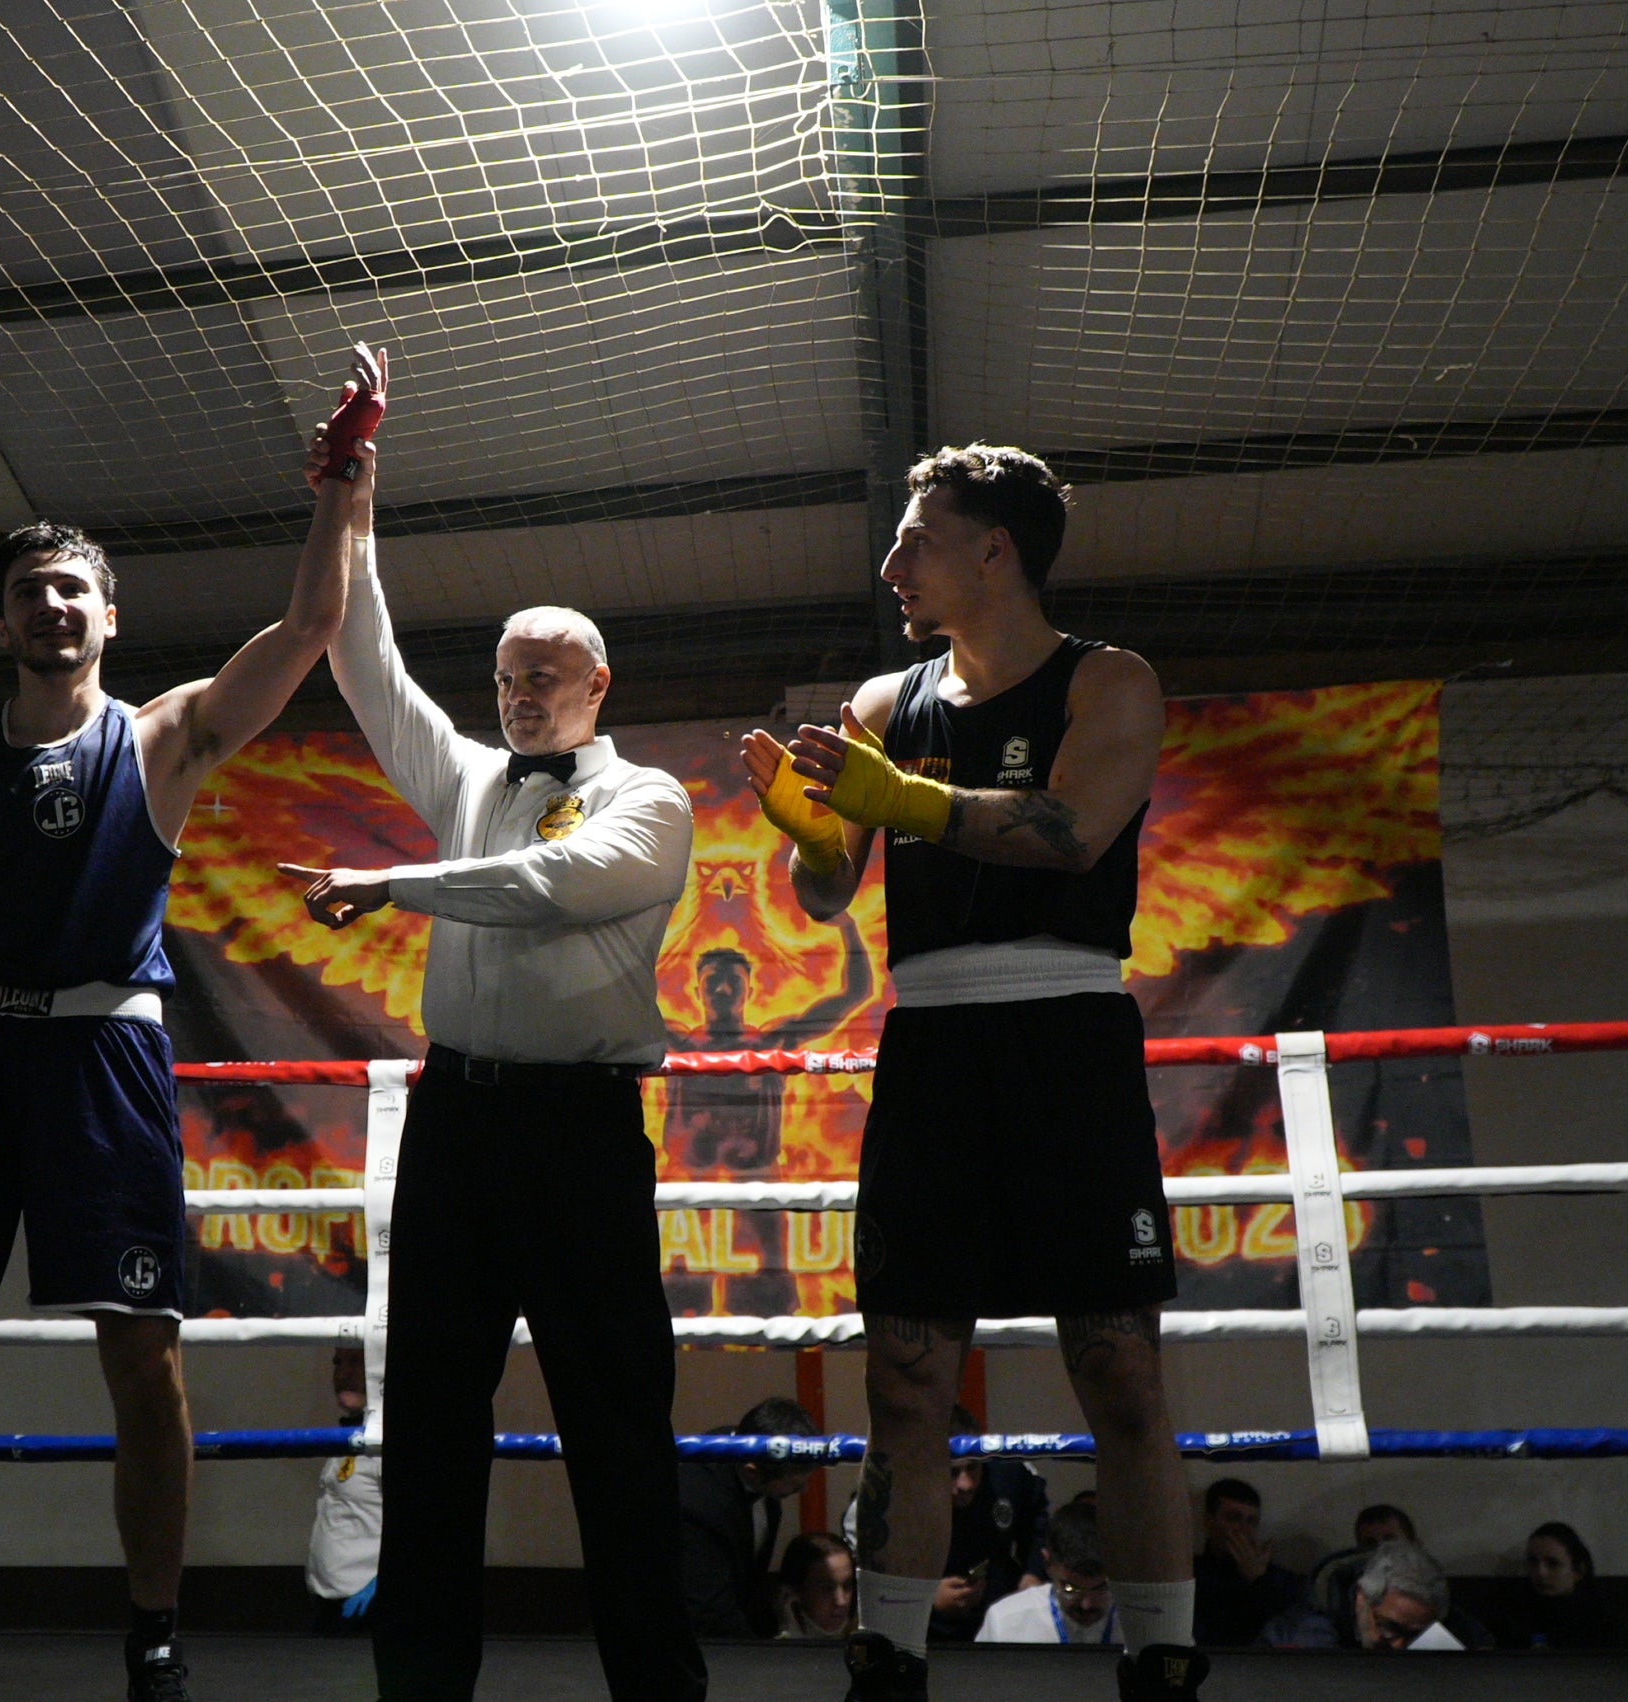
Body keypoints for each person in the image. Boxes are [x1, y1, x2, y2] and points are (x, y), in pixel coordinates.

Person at [0, 345, 374, 1702]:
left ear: (109, 616)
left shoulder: (165, 737)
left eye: (73, 586)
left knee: (145, 1358)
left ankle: (154, 1636)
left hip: (103, 1052)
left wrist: (342, 493)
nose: (52, 604)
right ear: (2, 623)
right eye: (29, 591)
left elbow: (304, 633)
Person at [738, 445, 1200, 1701]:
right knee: (905, 1368)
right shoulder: (887, 702)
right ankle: (886, 1649)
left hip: (1065, 1031)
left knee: (1118, 1362)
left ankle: (1161, 1649)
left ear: (994, 548)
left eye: (917, 541)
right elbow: (833, 881)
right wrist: (804, 835)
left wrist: (912, 803)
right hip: (931, 1038)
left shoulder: (1108, 681)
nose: (892, 565)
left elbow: (1070, 831)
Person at [277, 375, 705, 1702]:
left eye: (545, 676)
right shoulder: (466, 777)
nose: (520, 695)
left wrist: (387, 885)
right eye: (508, 676)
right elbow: (363, 660)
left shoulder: (651, 797)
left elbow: (549, 890)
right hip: (456, 1123)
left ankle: (659, 1688)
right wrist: (356, 499)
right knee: (430, 1424)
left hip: (581, 1131)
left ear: (598, 681)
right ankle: (420, 1686)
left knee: (616, 1424)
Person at [664, 916, 872, 1175]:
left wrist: (848, 926)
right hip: (685, 1180)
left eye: (734, 981)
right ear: (698, 991)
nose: (723, 989)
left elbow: (856, 992)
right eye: (713, 981)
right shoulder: (678, 1043)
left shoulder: (772, 1042)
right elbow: (620, 1011)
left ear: (749, 991)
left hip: (758, 1180)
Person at [838, 1405, 1049, 1643]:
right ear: (922, 1465)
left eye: (973, 1467)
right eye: (952, 1471)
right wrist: (924, 1598)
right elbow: (867, 1588)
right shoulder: (883, 1499)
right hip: (915, 1631)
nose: (966, 1484)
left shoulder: (1010, 1471)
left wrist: (1032, 1575)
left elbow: (1040, 1526)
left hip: (995, 1616)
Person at [680, 1397, 824, 1637]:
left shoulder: (744, 1446)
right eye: (794, 1485)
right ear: (752, 1473)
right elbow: (710, 1611)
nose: (804, 1490)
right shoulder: (697, 1505)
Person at [1263, 1540, 1465, 1651]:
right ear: (1362, 1597)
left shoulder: (1434, 1610)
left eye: (1417, 1636)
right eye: (1389, 1629)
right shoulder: (1307, 1634)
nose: (1400, 1647)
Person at [306, 1348, 381, 1636]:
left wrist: (383, 1587)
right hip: (331, 1608)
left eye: (356, 1361)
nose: (342, 1373)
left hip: (368, 1612)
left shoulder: (387, 1441)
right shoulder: (352, 1437)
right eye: (337, 1362)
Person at [976, 1503, 1117, 1646]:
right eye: (1070, 1588)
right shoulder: (1006, 1621)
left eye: (1101, 1588)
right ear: (1047, 1563)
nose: (1086, 1605)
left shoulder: (1137, 1624)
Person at [1189, 1478, 1302, 1647]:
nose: (1243, 1529)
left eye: (1251, 1521)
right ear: (1209, 1522)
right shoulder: (1189, 1575)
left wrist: (1259, 1581)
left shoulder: (1283, 1581)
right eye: (1234, 1518)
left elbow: (1287, 1633)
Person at [1487, 1522, 1621, 1649]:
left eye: (1553, 1563)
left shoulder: (1601, 1617)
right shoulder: (1515, 1611)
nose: (1540, 1573)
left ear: (1578, 1571)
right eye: (1533, 1562)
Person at [778, 1533, 858, 1640]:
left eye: (847, 1586)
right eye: (827, 1588)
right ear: (796, 1591)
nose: (841, 1601)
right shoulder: (771, 1652)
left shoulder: (869, 1643)